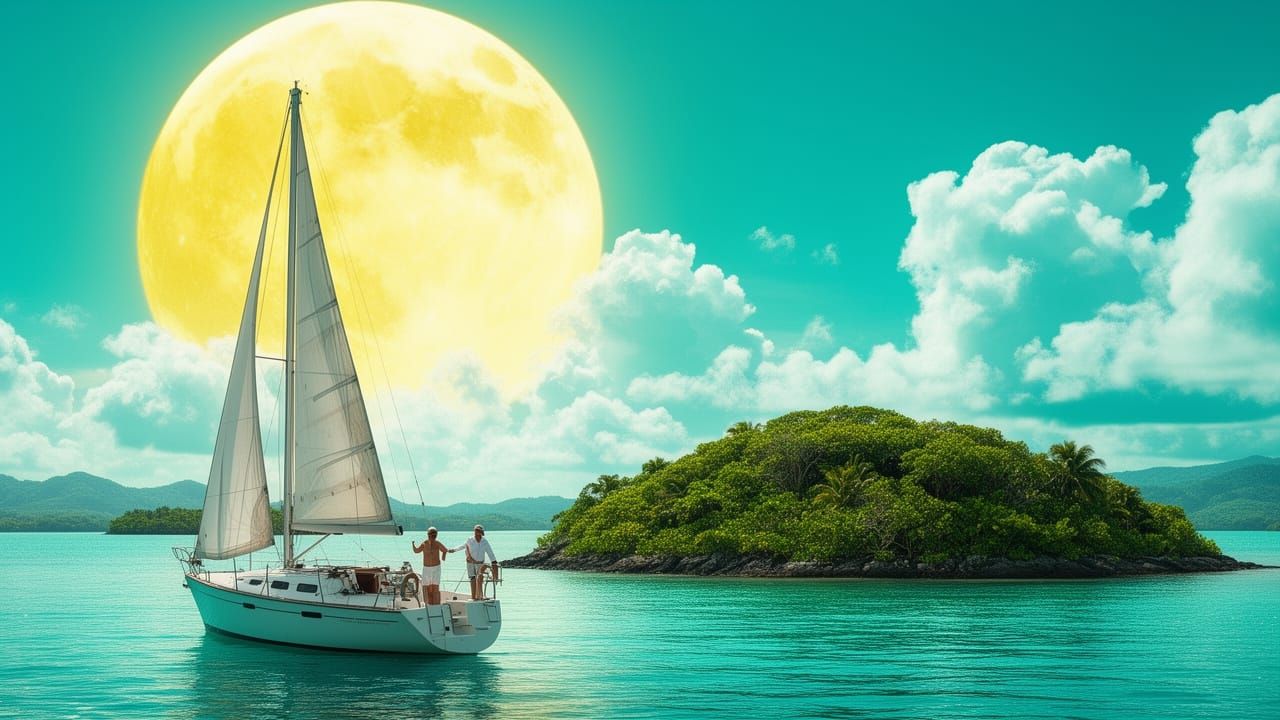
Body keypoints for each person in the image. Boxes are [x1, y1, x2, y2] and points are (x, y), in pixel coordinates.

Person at [450, 524, 498, 600]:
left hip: (480, 563)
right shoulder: (470, 539)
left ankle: (480, 596)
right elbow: (463, 546)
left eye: (479, 532)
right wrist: (454, 550)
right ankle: (474, 597)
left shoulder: (484, 541)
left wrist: (494, 561)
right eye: (476, 531)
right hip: (470, 563)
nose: (477, 533)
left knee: (480, 578)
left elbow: (490, 552)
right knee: (472, 579)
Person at [411, 527, 450, 605]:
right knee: (426, 587)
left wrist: (443, 557)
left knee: (435, 587)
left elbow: (445, 550)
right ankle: (428, 604)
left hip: (436, 568)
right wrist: (413, 545)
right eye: (430, 534)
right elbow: (416, 551)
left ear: (436, 535)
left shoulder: (437, 543)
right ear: (428, 535)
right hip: (426, 568)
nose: (432, 536)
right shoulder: (424, 544)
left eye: (434, 535)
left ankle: (436, 604)